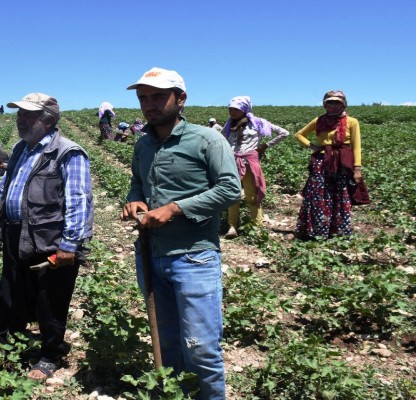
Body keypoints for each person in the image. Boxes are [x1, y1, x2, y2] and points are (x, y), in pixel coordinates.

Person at [121, 67, 240, 399]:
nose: (149, 104)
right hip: (150, 254)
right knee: (167, 341)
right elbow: (137, 185)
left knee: (201, 348)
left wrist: (175, 208)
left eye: (158, 96)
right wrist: (135, 202)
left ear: (181, 98)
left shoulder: (206, 139)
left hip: (194, 256)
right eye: (143, 98)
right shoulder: (143, 144)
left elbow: (231, 190)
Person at [0, 92, 93, 381]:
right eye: (19, 113)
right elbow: (5, 189)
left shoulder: (68, 152)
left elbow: (77, 200)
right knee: (10, 291)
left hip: (49, 236)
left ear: (47, 121)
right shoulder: (22, 148)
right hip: (14, 232)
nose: (20, 119)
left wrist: (69, 244)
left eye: (28, 115)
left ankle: (50, 355)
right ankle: (12, 345)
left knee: (50, 299)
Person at [295, 90, 362, 239]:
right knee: (318, 194)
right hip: (321, 161)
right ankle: (317, 230)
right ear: (325, 103)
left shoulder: (352, 122)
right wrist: (311, 146)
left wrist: (357, 168)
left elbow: (356, 146)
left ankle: (338, 231)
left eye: (336, 102)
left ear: (343, 104)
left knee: (340, 194)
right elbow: (299, 134)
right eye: (329, 102)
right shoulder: (319, 120)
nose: (332, 105)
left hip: (341, 161)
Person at [221, 96, 289, 238]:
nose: (232, 112)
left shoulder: (257, 122)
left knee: (252, 196)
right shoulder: (229, 124)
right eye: (230, 109)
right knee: (232, 196)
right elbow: (221, 139)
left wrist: (265, 146)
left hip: (249, 163)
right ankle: (232, 227)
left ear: (244, 109)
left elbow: (284, 133)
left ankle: (257, 227)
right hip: (231, 162)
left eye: (236, 109)